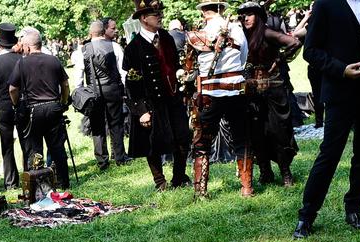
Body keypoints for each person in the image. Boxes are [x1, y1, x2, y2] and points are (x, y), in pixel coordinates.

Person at [291, 0, 360, 238]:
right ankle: (306, 216)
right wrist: (340, 69)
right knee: (329, 153)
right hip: (340, 91)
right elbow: (311, 50)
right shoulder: (325, 4)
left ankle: (354, 209)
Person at [184, 2, 252, 198]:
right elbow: (243, 57)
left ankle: (201, 191)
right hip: (236, 91)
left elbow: (190, 68)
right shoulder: (237, 29)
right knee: (242, 138)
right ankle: (246, 188)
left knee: (202, 142)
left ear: (204, 12)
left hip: (210, 93)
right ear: (221, 8)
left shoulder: (196, 35)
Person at [124, 0, 192, 191]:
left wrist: (180, 73)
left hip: (173, 99)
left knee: (182, 138)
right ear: (144, 18)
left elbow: (174, 64)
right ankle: (160, 182)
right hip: (151, 102)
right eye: (155, 15)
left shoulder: (167, 38)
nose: (160, 16)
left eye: (160, 13)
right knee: (152, 144)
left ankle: (179, 177)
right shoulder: (133, 47)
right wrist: (141, 110)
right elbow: (131, 83)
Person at [238, 1, 300, 187]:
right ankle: (266, 172)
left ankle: (286, 173)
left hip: (274, 90)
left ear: (258, 16)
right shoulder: (241, 36)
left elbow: (294, 42)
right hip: (252, 91)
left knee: (278, 131)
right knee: (256, 132)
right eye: (243, 16)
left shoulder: (266, 32)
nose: (246, 18)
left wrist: (279, 60)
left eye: (250, 14)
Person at [9, 28, 72, 188]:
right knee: (57, 147)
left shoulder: (22, 62)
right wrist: (63, 102)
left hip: (33, 110)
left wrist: (16, 104)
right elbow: (65, 84)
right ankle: (64, 182)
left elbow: (12, 89)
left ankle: (39, 186)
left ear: (28, 47)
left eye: (23, 46)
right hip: (53, 107)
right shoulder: (54, 60)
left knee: (34, 149)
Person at [75, 18, 130, 169]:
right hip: (113, 89)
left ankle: (102, 161)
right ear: (103, 31)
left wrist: (79, 88)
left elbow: (79, 73)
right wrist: (124, 88)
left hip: (93, 91)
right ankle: (119, 157)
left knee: (97, 125)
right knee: (116, 123)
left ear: (90, 33)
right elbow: (123, 71)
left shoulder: (83, 50)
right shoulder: (114, 46)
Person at [0, 23, 26, 189]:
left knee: (7, 145)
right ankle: (30, 173)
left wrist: (1, 97)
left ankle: (10, 182)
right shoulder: (22, 58)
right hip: (22, 103)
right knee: (26, 142)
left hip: (4, 106)